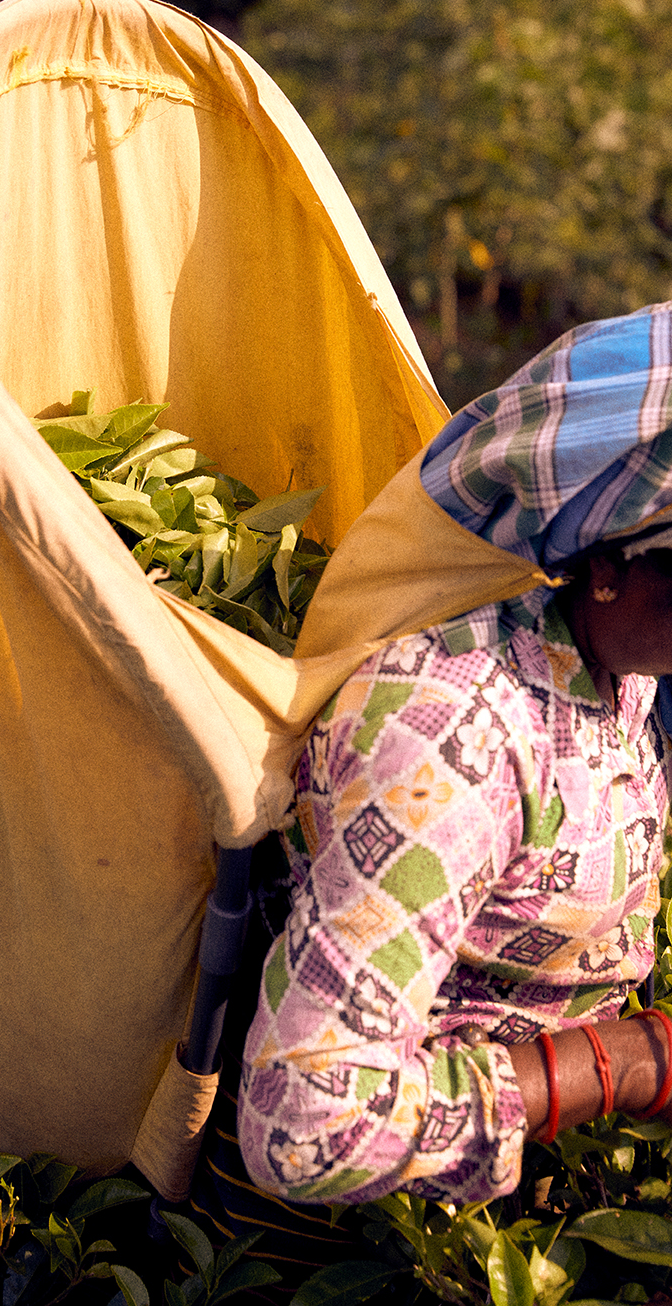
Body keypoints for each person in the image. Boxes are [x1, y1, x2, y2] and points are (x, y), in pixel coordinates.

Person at [236, 302, 672, 1208]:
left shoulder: (618, 666)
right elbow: (309, 1125)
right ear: (610, 563)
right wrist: (627, 1063)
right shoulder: (452, 730)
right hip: (355, 1241)